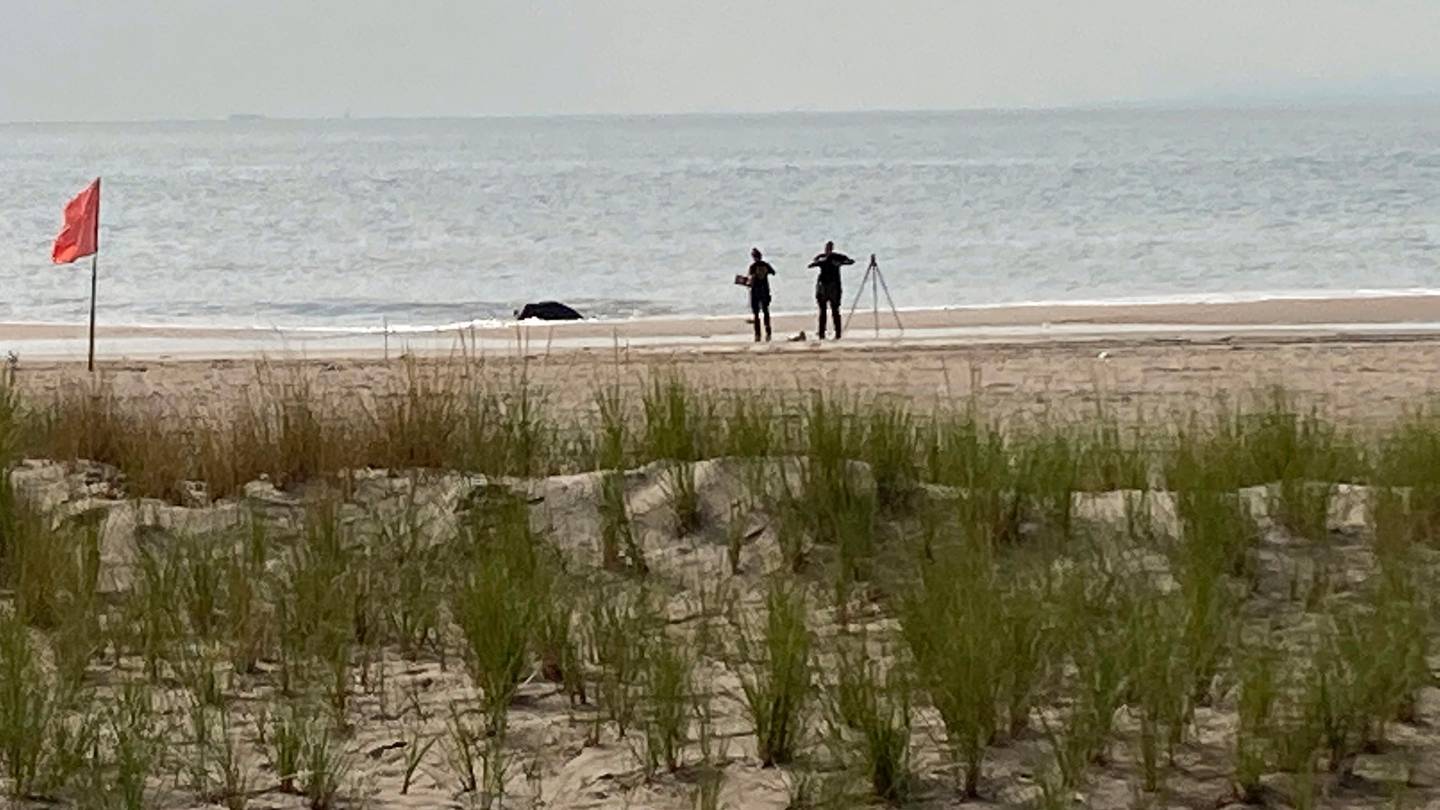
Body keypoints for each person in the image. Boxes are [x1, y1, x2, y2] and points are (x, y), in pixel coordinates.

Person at [808, 241, 854, 339]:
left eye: (829, 248)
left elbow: (850, 261)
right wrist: (818, 262)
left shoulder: (837, 257)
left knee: (835, 311)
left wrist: (840, 263)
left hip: (834, 286)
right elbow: (813, 263)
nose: (827, 250)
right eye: (826, 248)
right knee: (823, 311)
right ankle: (821, 333)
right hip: (823, 286)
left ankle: (838, 333)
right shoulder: (821, 257)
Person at [746, 247, 776, 342]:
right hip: (765, 291)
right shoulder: (765, 265)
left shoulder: (753, 267)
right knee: (766, 312)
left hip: (755, 292)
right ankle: (768, 331)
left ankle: (758, 334)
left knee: (756, 314)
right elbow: (773, 272)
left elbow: (750, 280)